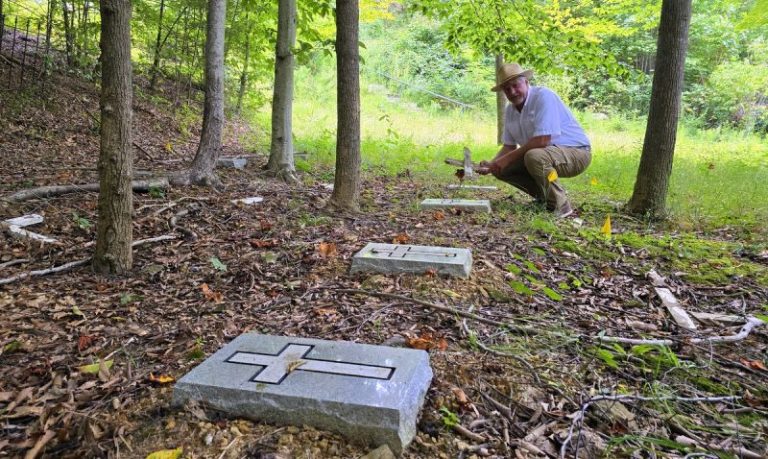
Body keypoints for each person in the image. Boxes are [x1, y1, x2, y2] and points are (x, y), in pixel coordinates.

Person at [478, 63, 591, 218]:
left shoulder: (544, 96)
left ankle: (561, 206)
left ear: (526, 82)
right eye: (507, 89)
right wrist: (493, 165)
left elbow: (542, 140)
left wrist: (504, 160)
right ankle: (547, 199)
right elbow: (509, 147)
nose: (512, 92)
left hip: (577, 152)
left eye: (515, 85)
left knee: (534, 156)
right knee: (503, 168)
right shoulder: (510, 110)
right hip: (547, 154)